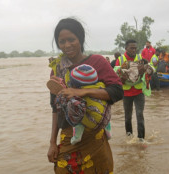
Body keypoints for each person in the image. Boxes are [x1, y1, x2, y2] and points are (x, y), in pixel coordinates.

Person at [47, 17, 123, 174]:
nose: (67, 45)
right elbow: (55, 108)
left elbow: (117, 91)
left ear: (80, 39)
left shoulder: (97, 62)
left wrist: (83, 91)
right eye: (62, 41)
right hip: (69, 136)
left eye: (71, 39)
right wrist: (52, 143)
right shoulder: (57, 69)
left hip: (94, 135)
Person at [115, 39, 148, 141]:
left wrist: (144, 71)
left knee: (139, 115)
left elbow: (146, 72)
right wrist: (121, 78)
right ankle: (129, 138)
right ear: (126, 48)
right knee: (127, 117)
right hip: (126, 93)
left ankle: (141, 139)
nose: (134, 50)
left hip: (139, 91)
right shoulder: (120, 60)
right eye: (131, 48)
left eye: (135, 48)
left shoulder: (140, 58)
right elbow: (115, 75)